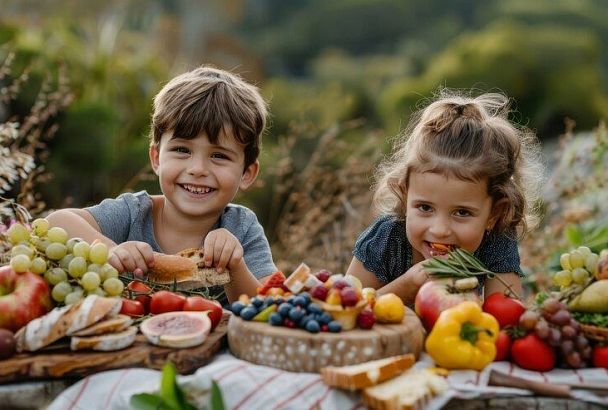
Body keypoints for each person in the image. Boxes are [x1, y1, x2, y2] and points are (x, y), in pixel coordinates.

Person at [47, 66, 276, 304]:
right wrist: (110, 249)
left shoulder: (242, 228)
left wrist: (235, 268)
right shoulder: (133, 213)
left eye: (219, 156)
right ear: (156, 158)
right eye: (181, 150)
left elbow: (270, 305)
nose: (197, 169)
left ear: (247, 173)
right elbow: (56, 222)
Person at [346, 90, 543, 305]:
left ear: (494, 214)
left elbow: (506, 319)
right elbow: (347, 309)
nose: (439, 230)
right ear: (405, 193)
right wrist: (406, 287)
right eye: (424, 208)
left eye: (462, 212)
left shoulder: (496, 242)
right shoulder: (386, 239)